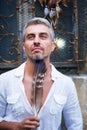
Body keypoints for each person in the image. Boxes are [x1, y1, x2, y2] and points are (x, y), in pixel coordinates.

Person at [0, 17, 83, 130]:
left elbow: (75, 125)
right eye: (31, 37)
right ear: (24, 46)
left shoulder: (66, 84)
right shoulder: (4, 81)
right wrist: (15, 126)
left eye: (43, 36)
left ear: (53, 46)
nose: (36, 41)